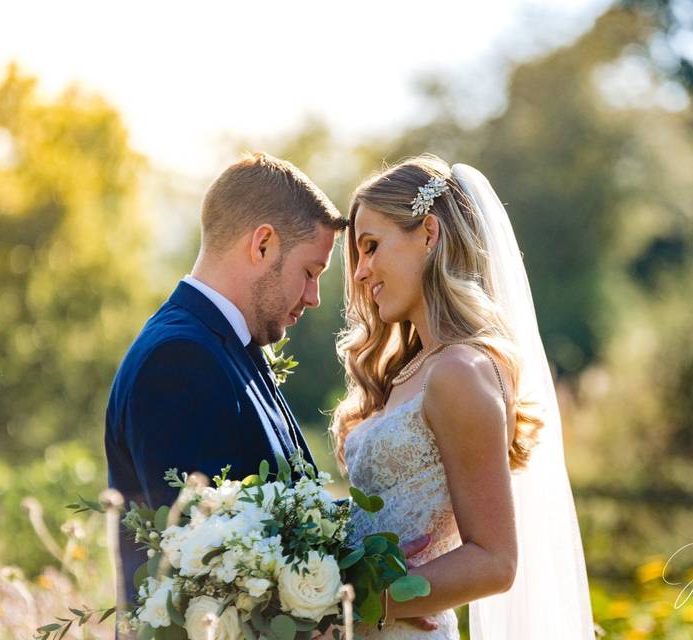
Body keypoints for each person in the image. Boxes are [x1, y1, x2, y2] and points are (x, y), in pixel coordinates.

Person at [331, 155, 595, 638]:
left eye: (371, 247)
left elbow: (494, 561)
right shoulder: (407, 371)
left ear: (428, 235)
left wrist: (360, 603)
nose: (362, 273)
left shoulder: (459, 372)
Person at [104, 152, 346, 605]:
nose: (313, 297)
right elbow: (204, 572)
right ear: (262, 245)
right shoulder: (179, 360)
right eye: (310, 272)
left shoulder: (231, 346)